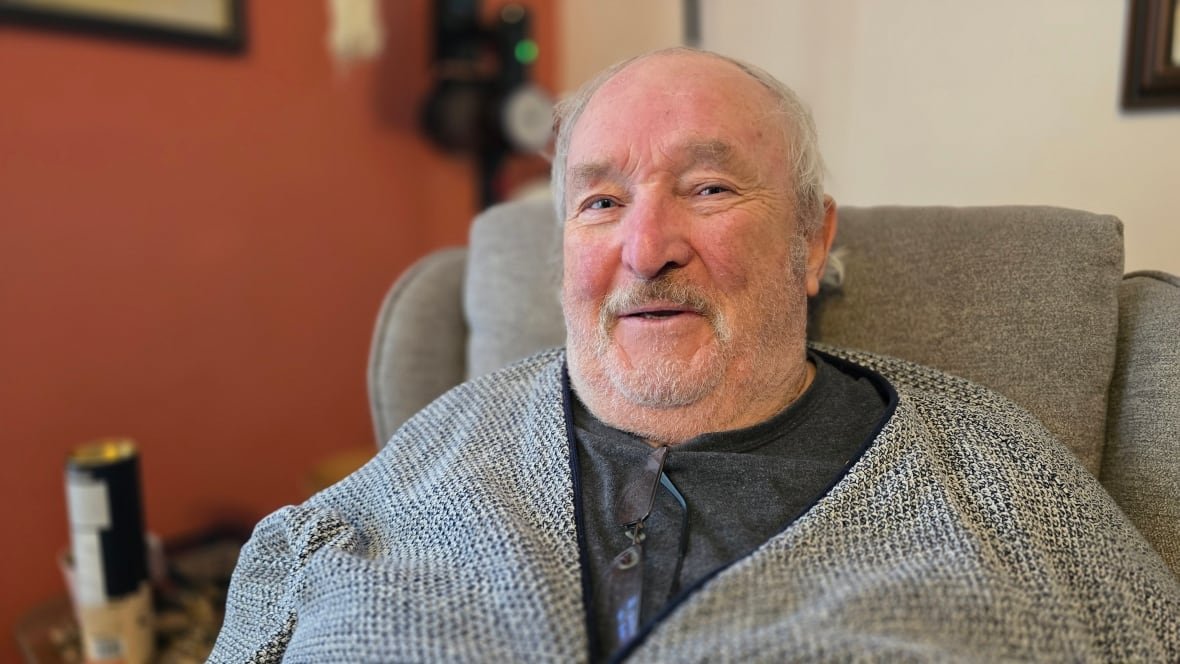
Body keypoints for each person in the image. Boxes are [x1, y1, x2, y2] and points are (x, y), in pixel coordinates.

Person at [209, 48, 1179, 663]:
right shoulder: (435, 450)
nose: (646, 247)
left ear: (809, 239)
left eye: (709, 188)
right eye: (600, 201)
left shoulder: (999, 479)